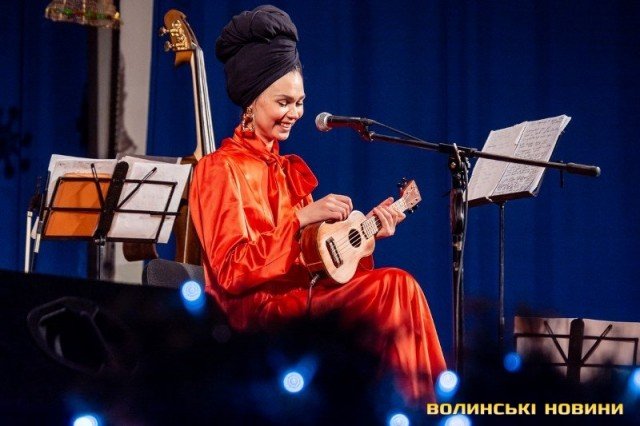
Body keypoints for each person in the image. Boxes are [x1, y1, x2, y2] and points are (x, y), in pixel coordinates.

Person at [189, 5, 446, 405]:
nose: (295, 113)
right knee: (394, 287)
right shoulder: (218, 168)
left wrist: (363, 239)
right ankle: (415, 408)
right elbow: (230, 270)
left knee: (400, 286)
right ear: (251, 102)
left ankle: (420, 408)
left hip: (303, 297)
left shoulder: (289, 170)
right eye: (284, 102)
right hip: (255, 312)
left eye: (300, 102)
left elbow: (317, 262)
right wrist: (301, 217)